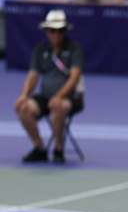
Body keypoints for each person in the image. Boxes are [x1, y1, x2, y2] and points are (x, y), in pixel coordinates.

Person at [13, 10, 84, 164]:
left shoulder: (74, 49)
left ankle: (58, 148)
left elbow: (74, 77)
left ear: (65, 31)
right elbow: (33, 75)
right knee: (24, 108)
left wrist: (59, 96)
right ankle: (39, 148)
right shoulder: (40, 49)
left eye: (60, 31)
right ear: (46, 31)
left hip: (69, 98)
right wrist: (24, 95)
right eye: (52, 31)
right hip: (45, 97)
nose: (56, 34)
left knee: (58, 107)